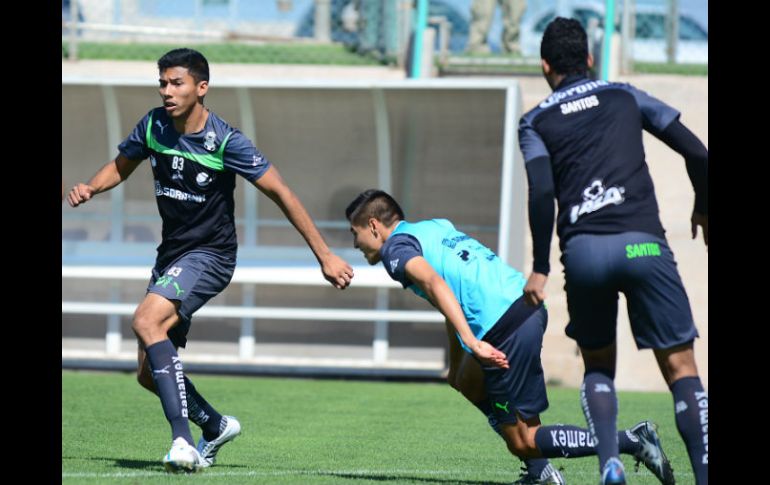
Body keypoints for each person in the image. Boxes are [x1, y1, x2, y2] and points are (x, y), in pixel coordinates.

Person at [66, 48, 354, 473]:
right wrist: (91, 187)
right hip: (172, 256)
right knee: (148, 374)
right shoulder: (153, 125)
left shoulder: (226, 142)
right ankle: (216, 426)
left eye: (176, 83)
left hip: (211, 256)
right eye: (162, 82)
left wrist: (325, 255)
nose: (166, 90)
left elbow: (282, 193)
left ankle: (182, 442)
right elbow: (120, 167)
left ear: (202, 88)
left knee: (146, 321)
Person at [345, 189, 675, 485]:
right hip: (521, 306)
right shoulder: (433, 227)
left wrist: (472, 343)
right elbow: (448, 285)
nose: (354, 243)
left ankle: (632, 441)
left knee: (524, 440)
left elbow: (434, 283)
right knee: (468, 381)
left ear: (374, 226)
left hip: (503, 326)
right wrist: (459, 357)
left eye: (355, 233)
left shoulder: (395, 250)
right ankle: (540, 472)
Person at [518, 17, 708, 485]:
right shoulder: (624, 94)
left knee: (598, 364)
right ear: (589, 59)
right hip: (644, 244)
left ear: (545, 67)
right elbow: (699, 154)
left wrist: (541, 267)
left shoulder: (535, 120)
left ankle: (611, 463)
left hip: (584, 253)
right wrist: (704, 205)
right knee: (681, 369)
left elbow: (542, 193)